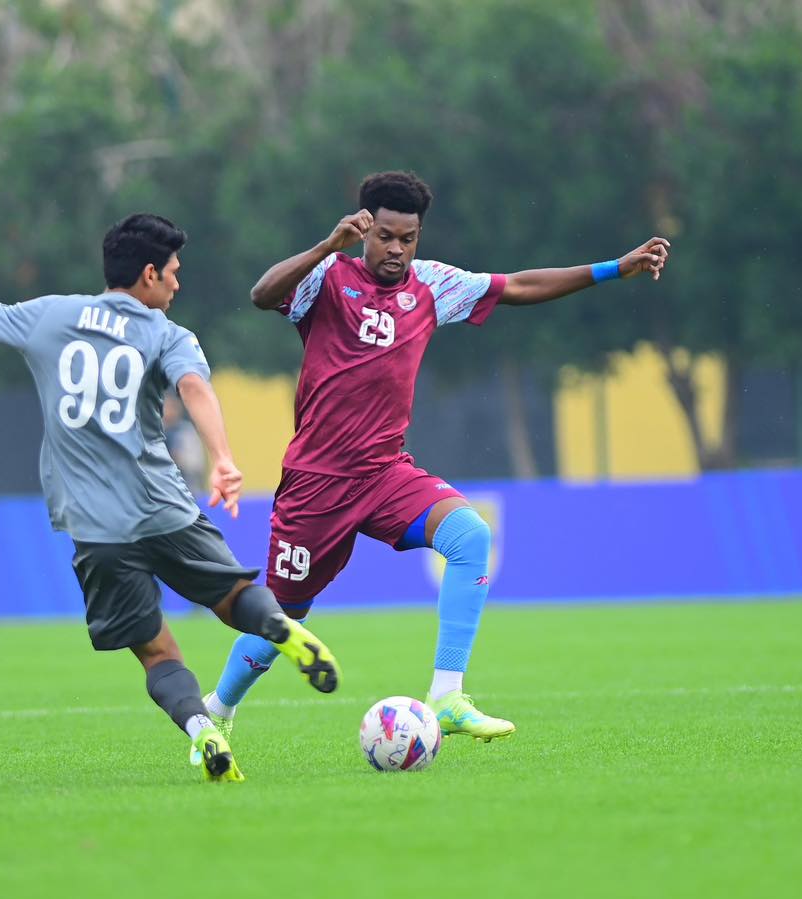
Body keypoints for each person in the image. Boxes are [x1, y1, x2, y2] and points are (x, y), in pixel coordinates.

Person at [205, 170, 671, 741]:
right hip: (316, 483)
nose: (397, 249)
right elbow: (261, 295)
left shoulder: (431, 286)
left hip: (385, 473)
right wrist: (328, 245)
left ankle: (447, 696)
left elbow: (519, 286)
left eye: (409, 238)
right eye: (386, 237)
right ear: (365, 228)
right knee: (285, 614)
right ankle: (219, 708)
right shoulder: (327, 277)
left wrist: (611, 269)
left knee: (471, 537)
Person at [0, 213, 340, 781]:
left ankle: (201, 729)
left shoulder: (50, 315)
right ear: (148, 274)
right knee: (235, 597)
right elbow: (194, 389)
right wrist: (224, 458)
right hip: (164, 507)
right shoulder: (167, 335)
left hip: (98, 530)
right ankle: (281, 629)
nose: (178, 284)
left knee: (158, 654)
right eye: (174, 273)